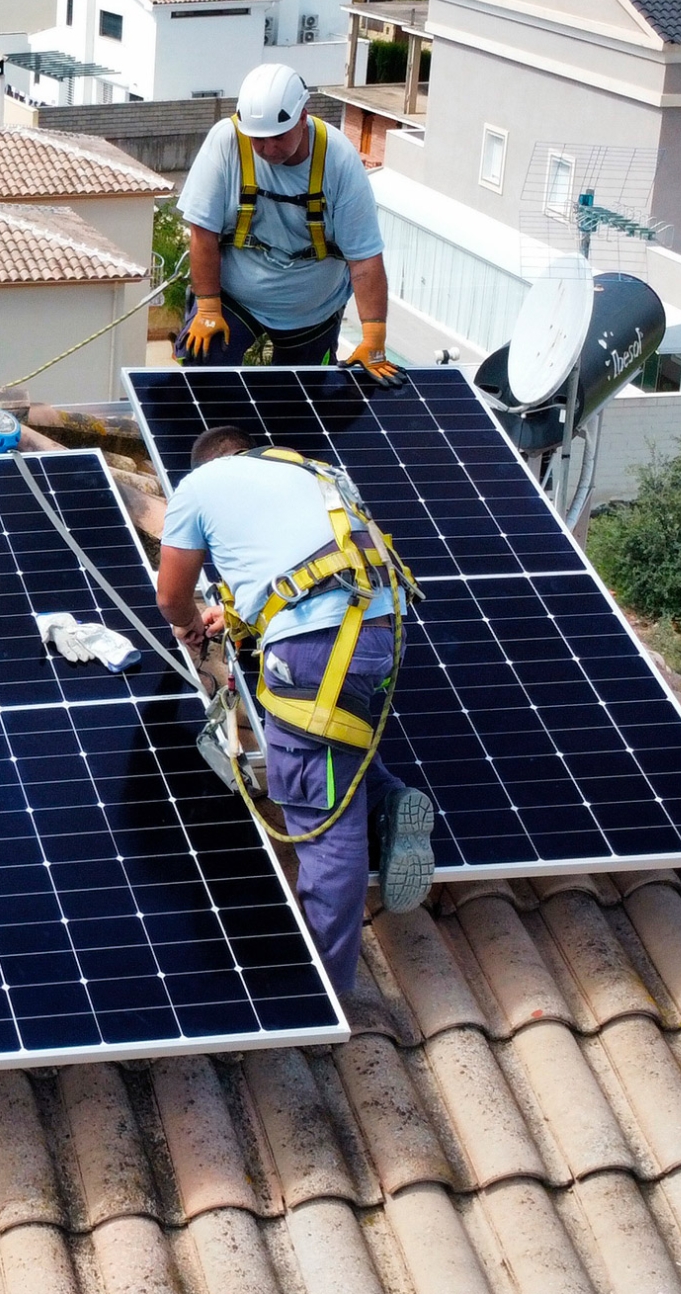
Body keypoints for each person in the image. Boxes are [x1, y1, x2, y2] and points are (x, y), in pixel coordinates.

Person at [154, 423, 433, 994]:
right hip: (383, 630)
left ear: (205, 465)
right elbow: (303, 566)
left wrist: (188, 624)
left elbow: (169, 595)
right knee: (335, 743)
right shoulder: (312, 471)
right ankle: (391, 800)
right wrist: (232, 617)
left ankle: (327, 985)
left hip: (318, 647)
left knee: (317, 812)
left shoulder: (198, 487)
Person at [171, 63, 398, 380]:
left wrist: (373, 340)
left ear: (303, 118)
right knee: (201, 371)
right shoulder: (226, 142)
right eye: (258, 140)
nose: (267, 149)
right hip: (236, 295)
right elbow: (202, 232)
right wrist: (208, 306)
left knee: (301, 399)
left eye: (278, 137)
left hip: (311, 308)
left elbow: (364, 260)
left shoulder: (339, 160)